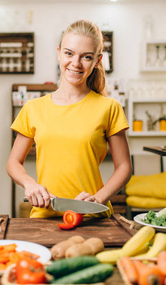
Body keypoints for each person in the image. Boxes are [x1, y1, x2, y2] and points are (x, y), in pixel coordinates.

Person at [7, 20, 132, 218]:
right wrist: (30, 183)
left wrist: (98, 199)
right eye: (69, 53)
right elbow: (13, 162)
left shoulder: (109, 107)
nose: (76, 63)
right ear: (58, 53)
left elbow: (124, 166)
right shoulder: (33, 108)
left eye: (86, 57)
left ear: (98, 61)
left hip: (92, 217)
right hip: (44, 216)